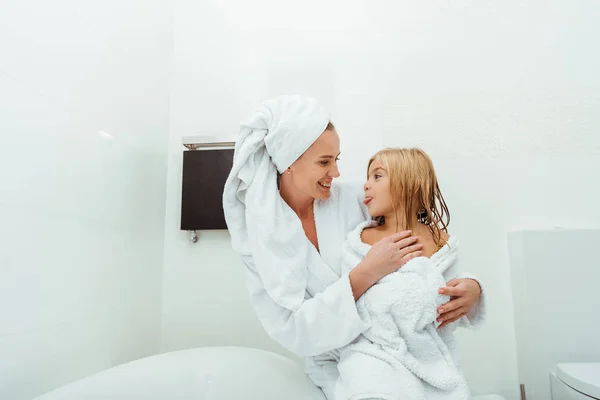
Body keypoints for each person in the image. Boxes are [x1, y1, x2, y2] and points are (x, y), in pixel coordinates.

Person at [222, 95, 485, 398]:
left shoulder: (356, 200)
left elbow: (420, 247)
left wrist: (472, 289)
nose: (335, 173)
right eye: (324, 162)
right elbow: (292, 330)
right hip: (339, 365)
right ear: (289, 163)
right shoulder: (260, 242)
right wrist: (365, 274)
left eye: (336, 159)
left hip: (407, 351)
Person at [332, 148, 472, 400]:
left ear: (411, 185)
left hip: (427, 353)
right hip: (375, 352)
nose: (365, 185)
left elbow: (453, 300)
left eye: (377, 176)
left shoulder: (443, 243)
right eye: (368, 177)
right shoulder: (360, 240)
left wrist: (471, 291)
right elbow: (351, 300)